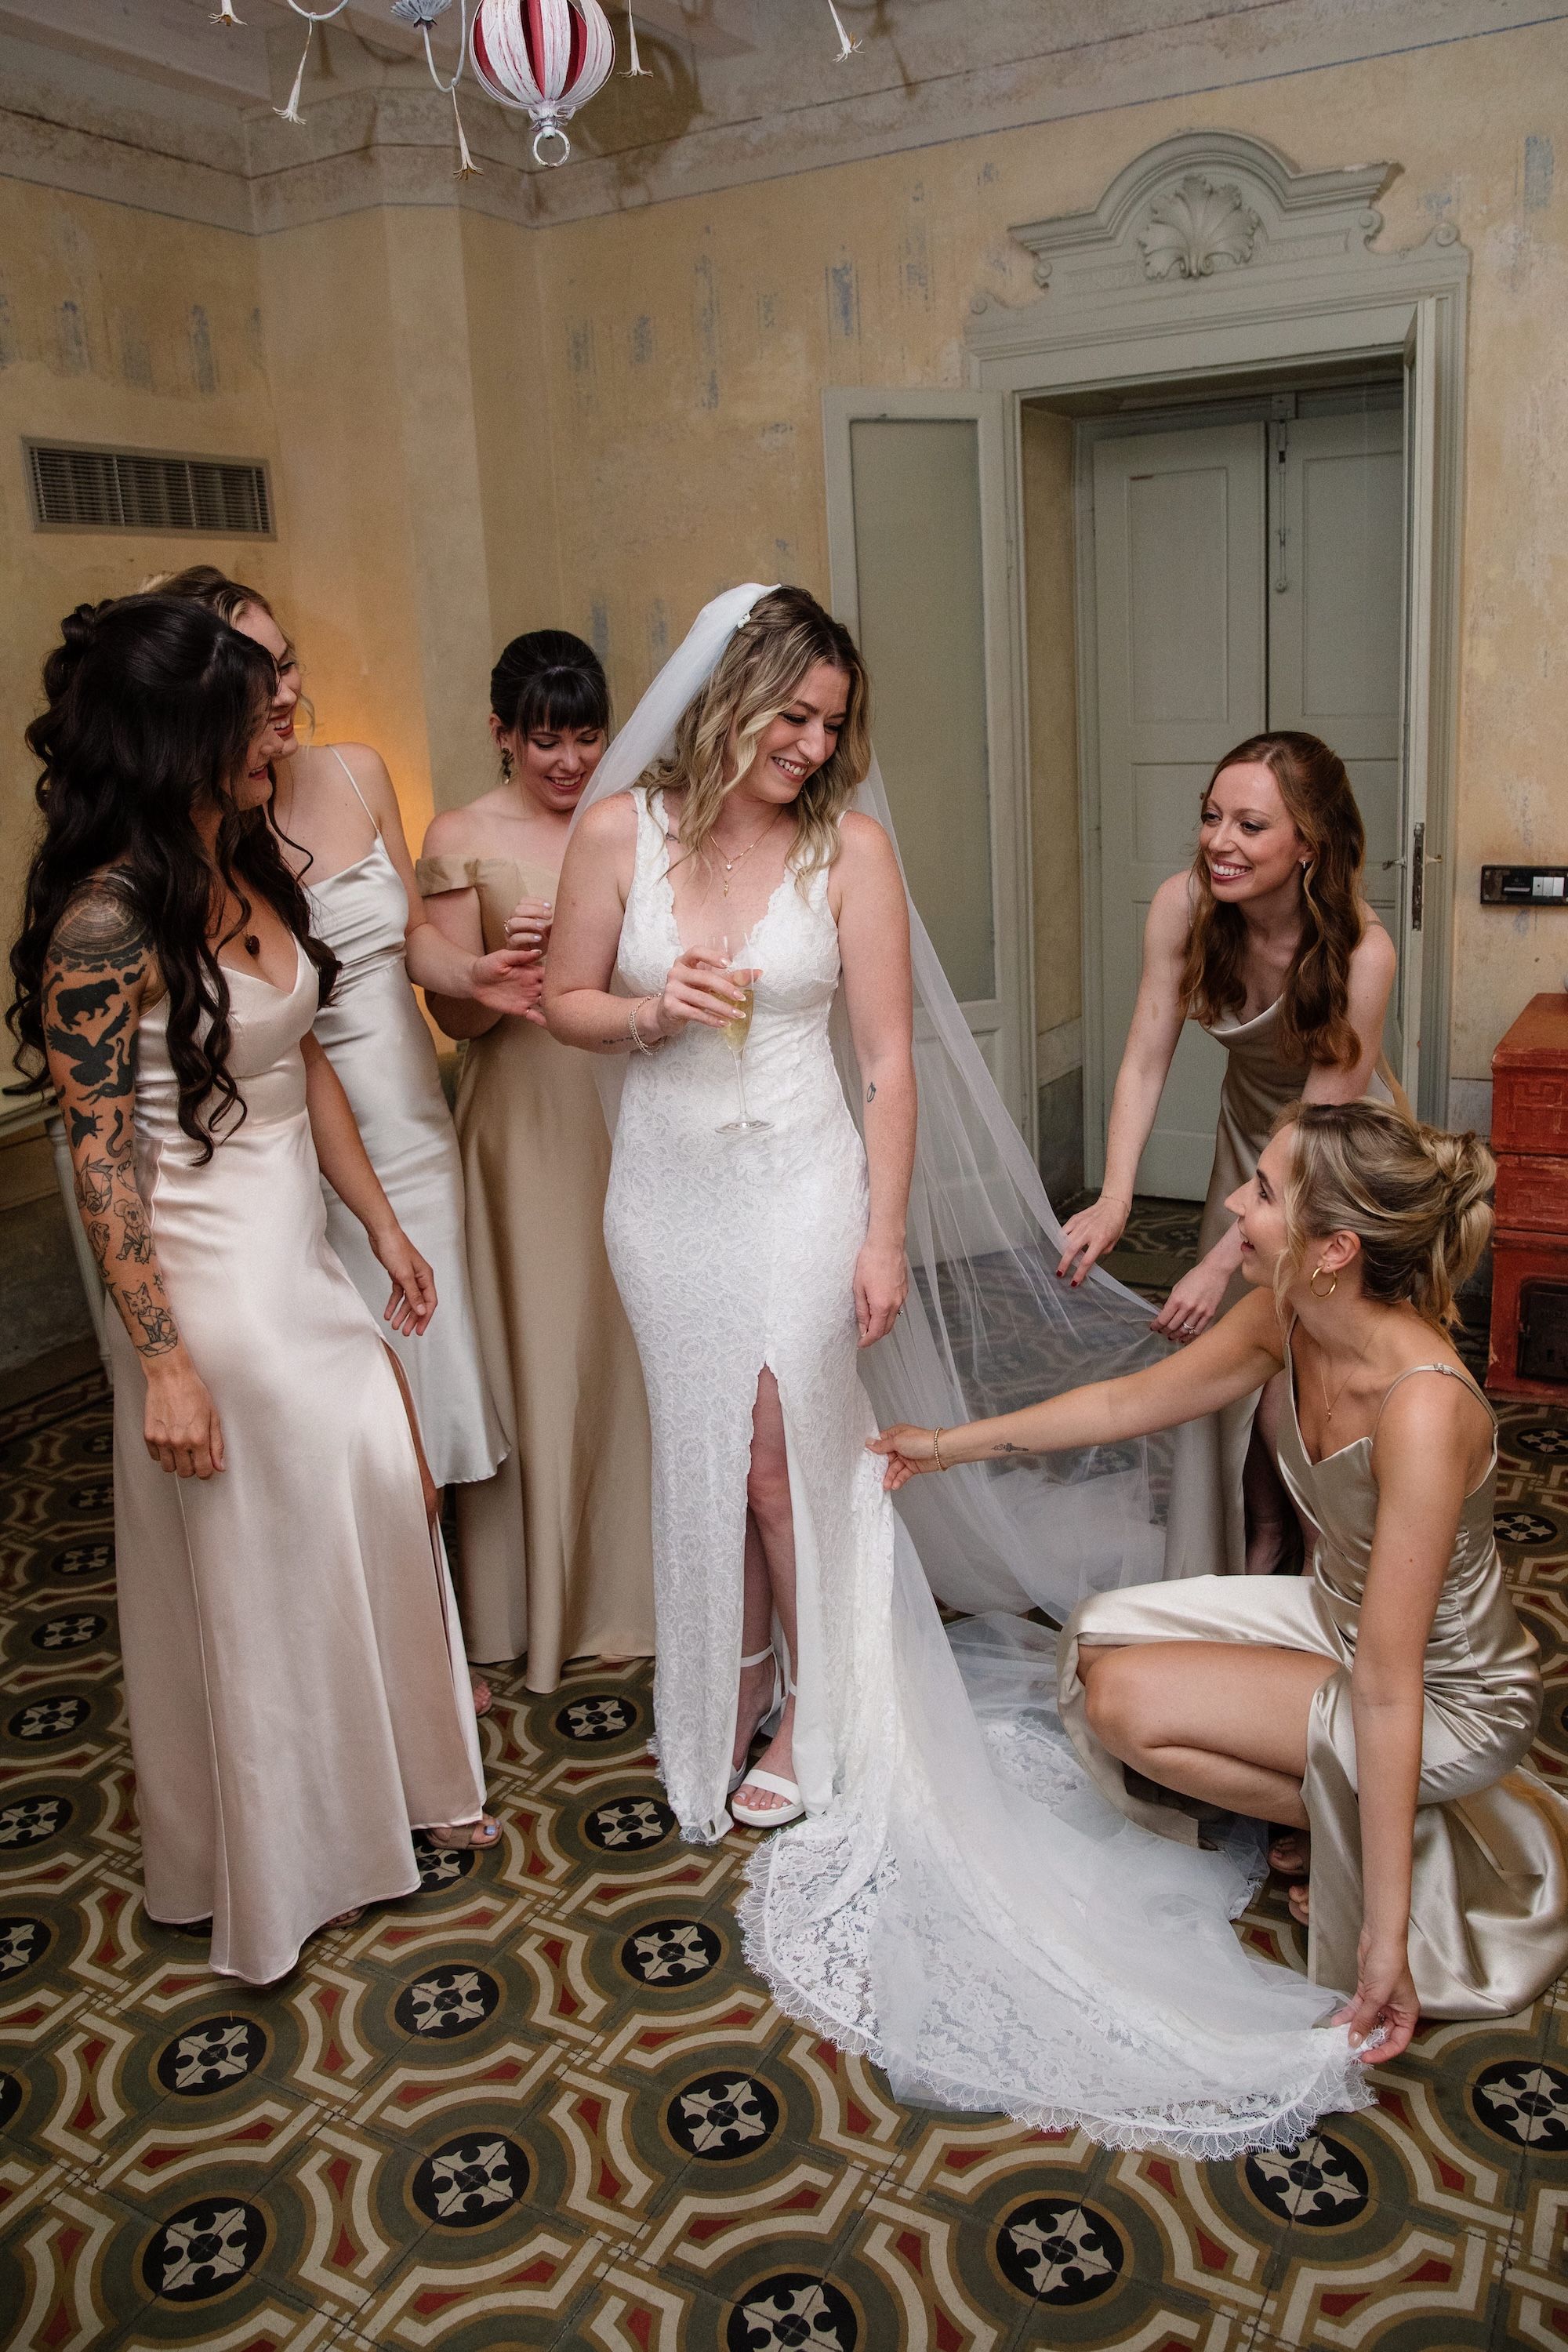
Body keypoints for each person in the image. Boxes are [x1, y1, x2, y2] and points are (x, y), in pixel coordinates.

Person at [543, 584, 1374, 2158]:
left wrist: (878, 1236)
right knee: (706, 1451)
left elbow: (886, 1058)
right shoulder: (617, 839)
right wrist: (645, 1010)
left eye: (831, 730)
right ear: (734, 696)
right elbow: (564, 1003)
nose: (809, 750)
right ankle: (725, 1676)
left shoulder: (842, 851)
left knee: (792, 1456)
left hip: (798, 1186)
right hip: (661, 1198)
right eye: (791, 718)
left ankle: (817, 1717)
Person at [7, 595, 499, 1986]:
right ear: (178, 740)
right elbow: (101, 1166)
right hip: (207, 1281)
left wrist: (384, 1229)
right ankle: (290, 1851)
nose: (273, 739)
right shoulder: (103, 927)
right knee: (269, 1551)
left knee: (372, 1487)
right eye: (245, 722)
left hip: (301, 1251)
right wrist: (160, 1360)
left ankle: (391, 1788)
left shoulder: (248, 869)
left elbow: (313, 1068)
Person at [876, 1101, 1568, 2053]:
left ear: (1333, 1250)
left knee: (1126, 1703)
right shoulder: (1288, 1316)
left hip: (1442, 1690)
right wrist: (943, 1447)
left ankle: (1399, 1834)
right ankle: (1357, 1810)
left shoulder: (1420, 1409)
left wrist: (1379, 1938)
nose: (1235, 1206)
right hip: (1334, 1619)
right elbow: (1127, 1401)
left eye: (1264, 1192)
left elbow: (1386, 1681)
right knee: (1098, 1645)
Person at [146, 566, 523, 1514]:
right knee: (348, 1409)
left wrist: (474, 975)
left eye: (289, 663)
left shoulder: (359, 769)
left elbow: (411, 943)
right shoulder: (211, 822)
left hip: (406, 1121)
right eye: (257, 671)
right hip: (291, 1135)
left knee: (428, 1387)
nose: (285, 692)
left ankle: (447, 1630)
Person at [1057, 734, 1398, 1576]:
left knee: (1301, 1371)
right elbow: (1143, 1058)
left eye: (1250, 825)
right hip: (1246, 1139)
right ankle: (1249, 1538)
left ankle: (1316, 1557)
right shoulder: (1183, 906)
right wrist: (1116, 1197)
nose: (1219, 842)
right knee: (1232, 1373)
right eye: (1211, 817)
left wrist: (1216, 1264)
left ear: (1307, 845)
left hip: (1329, 1163)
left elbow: (1315, 1131)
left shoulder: (1362, 951)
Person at [418, 633, 655, 1690]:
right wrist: (494, 966)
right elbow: (456, 1018)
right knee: (545, 1346)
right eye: (544, 740)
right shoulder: (461, 834)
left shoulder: (638, 821)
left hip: (628, 1107)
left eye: (586, 736)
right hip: (524, 1116)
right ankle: (533, 1608)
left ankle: (640, 1589)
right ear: (502, 733)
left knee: (632, 1341)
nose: (567, 761)